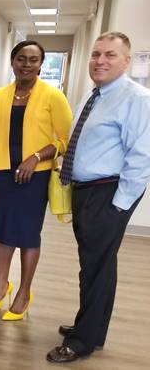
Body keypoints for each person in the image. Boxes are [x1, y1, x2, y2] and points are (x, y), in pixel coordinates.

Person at [47, 32, 150, 363]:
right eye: (95, 54)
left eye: (109, 55)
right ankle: (91, 327)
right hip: (88, 191)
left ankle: (82, 341)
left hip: (106, 192)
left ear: (126, 61)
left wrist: (118, 205)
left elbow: (142, 156)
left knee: (95, 266)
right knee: (98, 266)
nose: (100, 61)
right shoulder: (96, 95)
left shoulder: (136, 98)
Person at [0, 40, 72, 320]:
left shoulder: (52, 96)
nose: (27, 64)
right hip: (5, 175)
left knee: (29, 236)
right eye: (21, 58)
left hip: (36, 178)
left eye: (33, 60)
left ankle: (24, 292)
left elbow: (65, 140)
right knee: (4, 232)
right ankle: (1, 287)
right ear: (13, 62)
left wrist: (35, 157)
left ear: (41, 64)